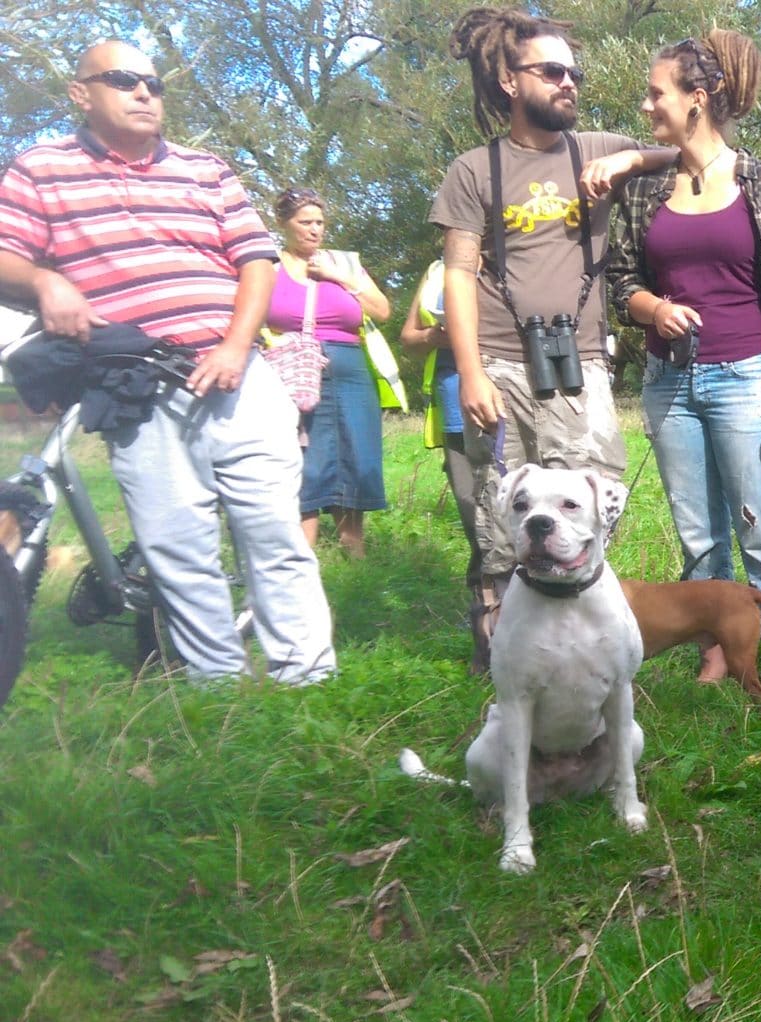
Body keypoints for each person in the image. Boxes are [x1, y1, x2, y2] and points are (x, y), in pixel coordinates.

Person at [0, 41, 335, 683]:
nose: (144, 93)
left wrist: (238, 346)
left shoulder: (205, 168)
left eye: (153, 83)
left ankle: (307, 682)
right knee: (178, 550)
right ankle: (220, 691)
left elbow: (255, 262)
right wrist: (45, 284)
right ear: (80, 93)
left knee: (275, 536)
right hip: (135, 385)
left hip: (240, 375)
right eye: (123, 80)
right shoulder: (39, 168)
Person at [429, 7, 673, 671]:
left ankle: (571, 629)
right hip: (499, 362)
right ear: (511, 80)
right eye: (552, 71)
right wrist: (472, 374)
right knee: (493, 506)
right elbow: (456, 273)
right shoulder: (473, 169)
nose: (569, 82)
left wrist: (632, 155)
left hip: (579, 361)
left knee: (594, 488)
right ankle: (497, 647)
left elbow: (692, 150)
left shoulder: (594, 148)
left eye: (575, 73)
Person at [604, 30, 761, 697]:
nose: (647, 105)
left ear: (697, 100)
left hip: (743, 374)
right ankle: (715, 652)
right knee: (697, 534)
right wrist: (652, 310)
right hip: (667, 382)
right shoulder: (645, 191)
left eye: (656, 93)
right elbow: (619, 282)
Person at [266, 188, 397, 559]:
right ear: (283, 224)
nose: (314, 230)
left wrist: (339, 277)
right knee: (304, 456)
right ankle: (302, 553)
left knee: (355, 453)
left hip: (352, 372)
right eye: (305, 222)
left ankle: (353, 550)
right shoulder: (268, 266)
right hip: (293, 370)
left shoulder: (344, 263)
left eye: (320, 223)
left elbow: (382, 311)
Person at [399, 259, 485, 616]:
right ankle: (487, 616)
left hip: (514, 391)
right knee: (474, 513)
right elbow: (408, 339)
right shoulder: (437, 269)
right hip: (456, 400)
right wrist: (435, 335)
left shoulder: (514, 250)